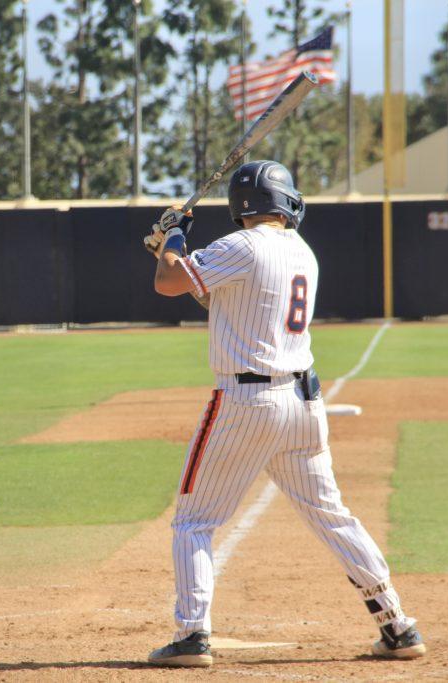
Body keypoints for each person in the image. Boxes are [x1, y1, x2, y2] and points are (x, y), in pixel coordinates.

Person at [143, 160, 426, 668]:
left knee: (194, 520)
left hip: (247, 402)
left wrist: (173, 239)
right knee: (332, 515)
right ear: (283, 200)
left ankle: (191, 637)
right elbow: (221, 299)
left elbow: (168, 283)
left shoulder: (242, 246)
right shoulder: (301, 251)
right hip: (303, 405)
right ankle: (398, 624)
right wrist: (170, 249)